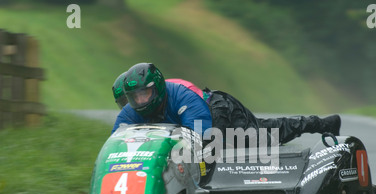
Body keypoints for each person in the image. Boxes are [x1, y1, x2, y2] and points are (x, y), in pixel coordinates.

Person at [111, 62, 341, 145]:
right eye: (134, 98)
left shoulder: (182, 97)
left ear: (157, 89)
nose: (140, 101)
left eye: (144, 94)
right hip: (198, 119)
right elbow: (116, 144)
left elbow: (199, 138)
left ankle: (320, 124)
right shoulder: (132, 111)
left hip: (217, 110)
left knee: (257, 138)